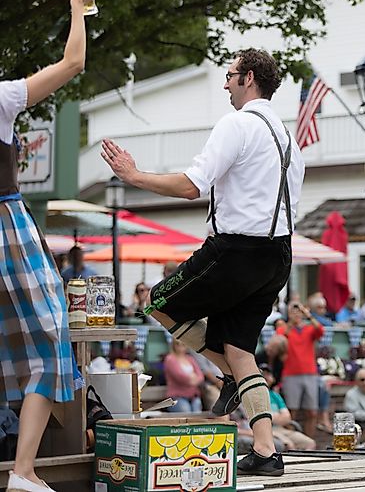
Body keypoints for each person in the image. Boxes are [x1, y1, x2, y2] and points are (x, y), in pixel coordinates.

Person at [101, 48, 305, 476]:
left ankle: (227, 374)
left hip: (237, 249)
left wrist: (134, 176)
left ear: (248, 78)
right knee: (241, 349)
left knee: (158, 302)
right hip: (278, 254)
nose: (226, 83)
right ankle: (266, 451)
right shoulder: (287, 136)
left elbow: (192, 185)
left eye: (230, 75)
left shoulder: (237, 123)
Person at [0, 0, 95, 492]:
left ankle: (23, 470)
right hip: (5, 228)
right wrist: (77, 8)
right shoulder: (1, 97)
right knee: (50, 332)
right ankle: (22, 469)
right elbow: (73, 63)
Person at [280, 301, 324, 439]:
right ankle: (292, 439)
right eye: (293, 311)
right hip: (291, 374)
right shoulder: (284, 328)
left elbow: (320, 330)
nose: (296, 314)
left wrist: (308, 315)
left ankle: (309, 442)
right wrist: (291, 322)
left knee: (312, 411)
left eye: (298, 311)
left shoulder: (308, 329)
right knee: (292, 411)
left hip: (310, 373)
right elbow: (282, 337)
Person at [259, 364, 316, 451]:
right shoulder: (254, 394)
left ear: (273, 378)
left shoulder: (275, 395)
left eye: (268, 374)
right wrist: (276, 417)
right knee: (289, 445)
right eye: (263, 374)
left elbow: (287, 418)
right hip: (264, 431)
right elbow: (259, 419)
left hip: (280, 429)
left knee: (310, 443)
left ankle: (304, 464)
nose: (265, 377)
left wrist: (269, 417)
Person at [163, 340, 204, 412]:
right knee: (186, 412)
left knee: (197, 414)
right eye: (178, 344)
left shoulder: (190, 358)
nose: (180, 346)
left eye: (183, 344)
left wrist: (194, 379)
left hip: (193, 396)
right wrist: (192, 378)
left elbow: (200, 376)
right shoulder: (170, 359)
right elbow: (180, 376)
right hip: (177, 397)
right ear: (173, 345)